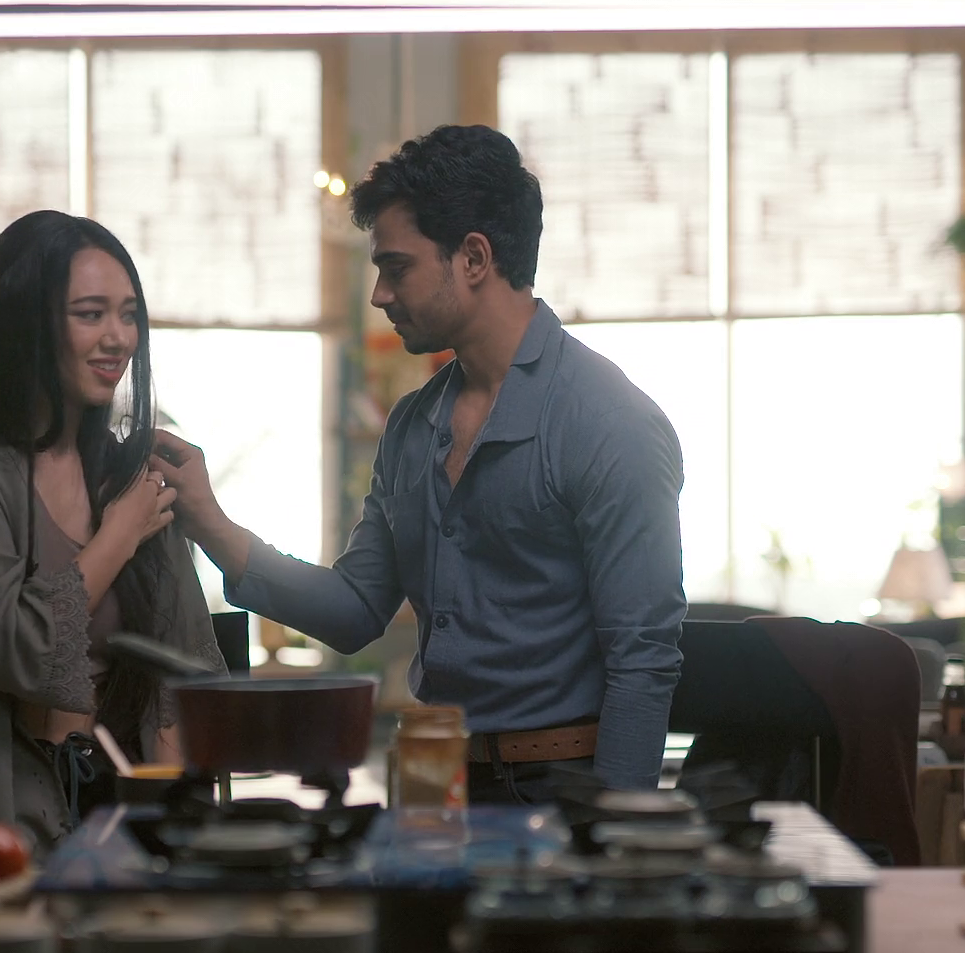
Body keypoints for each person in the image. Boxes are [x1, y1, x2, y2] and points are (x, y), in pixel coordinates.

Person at [156, 125, 685, 802]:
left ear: (474, 258)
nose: (380, 293)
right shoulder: (413, 425)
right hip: (437, 782)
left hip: (564, 793)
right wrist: (208, 522)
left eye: (396, 267)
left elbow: (643, 663)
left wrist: (616, 838)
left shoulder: (611, 424)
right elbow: (354, 610)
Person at [0, 210, 223, 850]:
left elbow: (182, 678)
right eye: (90, 314)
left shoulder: (129, 473)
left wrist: (176, 832)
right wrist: (118, 535)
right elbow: (16, 647)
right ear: (25, 322)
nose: (118, 338)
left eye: (129, 315)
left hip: (125, 818)